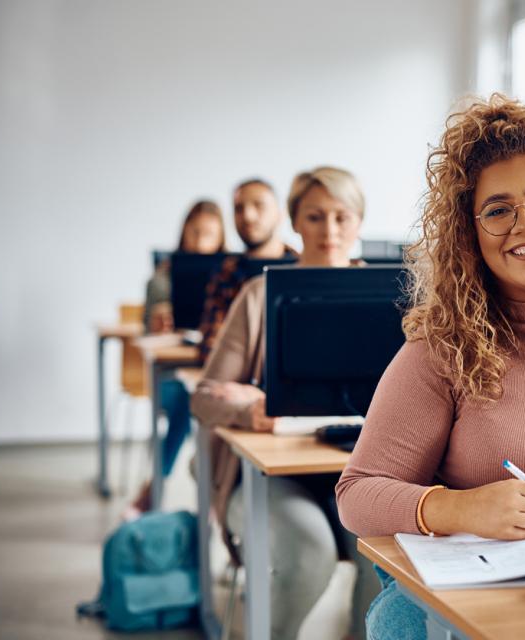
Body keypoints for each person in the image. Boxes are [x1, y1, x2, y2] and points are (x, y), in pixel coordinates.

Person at [335, 95, 525, 639]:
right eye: (498, 210)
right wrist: (460, 510)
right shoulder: (441, 349)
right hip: (477, 592)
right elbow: (357, 493)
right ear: (470, 234)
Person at [192, 167, 371, 640]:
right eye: (315, 217)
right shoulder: (257, 296)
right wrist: (245, 409)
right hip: (268, 478)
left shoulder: (395, 297)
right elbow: (203, 398)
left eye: (341, 217)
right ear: (295, 222)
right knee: (307, 548)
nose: (330, 231)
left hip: (360, 473)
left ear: (359, 223)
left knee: (387, 554)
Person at [126, 179, 296, 517]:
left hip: (278, 390)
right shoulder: (224, 272)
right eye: (239, 207)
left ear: (279, 213)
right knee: (188, 403)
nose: (247, 215)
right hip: (219, 379)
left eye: (258, 205)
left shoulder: (299, 268)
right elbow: (213, 344)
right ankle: (160, 489)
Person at [143, 200, 226, 334]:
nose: (200, 243)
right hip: (174, 346)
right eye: (195, 232)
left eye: (208, 234)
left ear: (220, 237)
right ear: (185, 232)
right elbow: (147, 331)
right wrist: (157, 324)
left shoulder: (234, 275)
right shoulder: (160, 279)